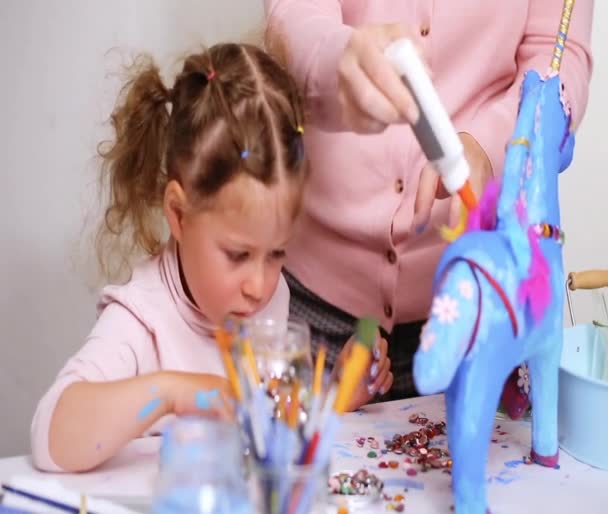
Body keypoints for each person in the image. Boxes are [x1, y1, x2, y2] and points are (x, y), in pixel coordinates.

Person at [31, 43, 393, 473]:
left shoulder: (265, 299)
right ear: (179, 216)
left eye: (276, 253)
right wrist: (173, 394)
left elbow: (268, 418)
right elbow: (50, 436)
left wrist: (337, 391)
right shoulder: (143, 319)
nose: (259, 285)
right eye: (238, 254)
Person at [263, 0, 594, 400]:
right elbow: (294, 18)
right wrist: (339, 61)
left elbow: (559, 54)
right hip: (308, 306)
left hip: (468, 324)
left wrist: (491, 146)